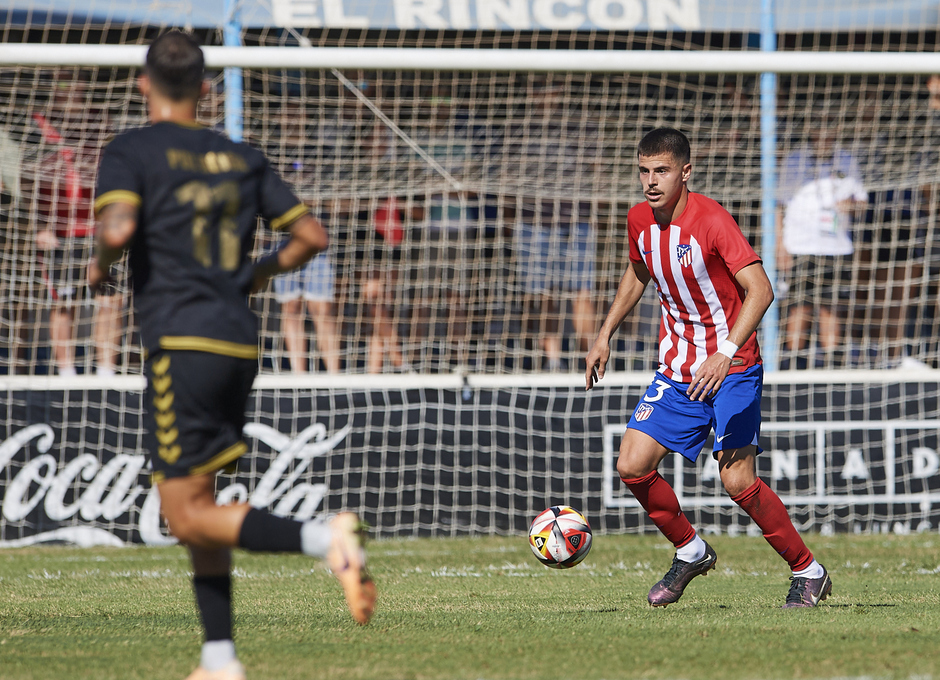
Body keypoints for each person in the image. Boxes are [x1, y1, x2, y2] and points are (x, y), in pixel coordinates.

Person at [88, 31, 376, 680]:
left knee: (182, 512)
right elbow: (310, 236)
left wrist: (99, 266)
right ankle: (219, 657)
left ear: (143, 84)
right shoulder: (241, 157)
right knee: (204, 503)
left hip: (179, 340)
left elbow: (119, 229)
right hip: (237, 339)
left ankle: (324, 539)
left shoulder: (130, 149)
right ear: (206, 89)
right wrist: (255, 276)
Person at [585, 127, 831, 609]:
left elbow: (761, 290)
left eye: (661, 171)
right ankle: (690, 550)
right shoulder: (639, 219)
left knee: (737, 481)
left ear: (685, 172)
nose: (651, 181)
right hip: (678, 368)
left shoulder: (713, 220)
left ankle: (809, 571)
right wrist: (604, 333)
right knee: (631, 466)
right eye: (644, 171)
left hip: (732, 366)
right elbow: (638, 273)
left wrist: (726, 350)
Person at [33, 70, 123, 376]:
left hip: (100, 229)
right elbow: (23, 176)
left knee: (109, 300)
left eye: (75, 79)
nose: (71, 87)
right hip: (58, 231)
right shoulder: (38, 123)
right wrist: (39, 226)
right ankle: (66, 374)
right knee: (63, 302)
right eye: (62, 80)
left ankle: (107, 373)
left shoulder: (102, 121)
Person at [776, 120, 867, 368]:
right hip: (799, 246)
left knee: (831, 307)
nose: (824, 133)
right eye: (819, 128)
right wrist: (779, 246)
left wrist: (852, 206)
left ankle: (831, 368)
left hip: (834, 247)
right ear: (810, 130)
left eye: (830, 128)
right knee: (798, 307)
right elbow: (778, 204)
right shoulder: (794, 159)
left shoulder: (847, 160)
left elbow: (862, 202)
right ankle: (792, 365)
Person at [269, 100, 342, 374]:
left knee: (321, 309)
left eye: (297, 110)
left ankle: (333, 375)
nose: (292, 116)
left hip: (315, 241)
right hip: (283, 240)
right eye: (287, 110)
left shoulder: (322, 152)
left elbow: (334, 196)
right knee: (291, 308)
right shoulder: (271, 153)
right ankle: (298, 376)